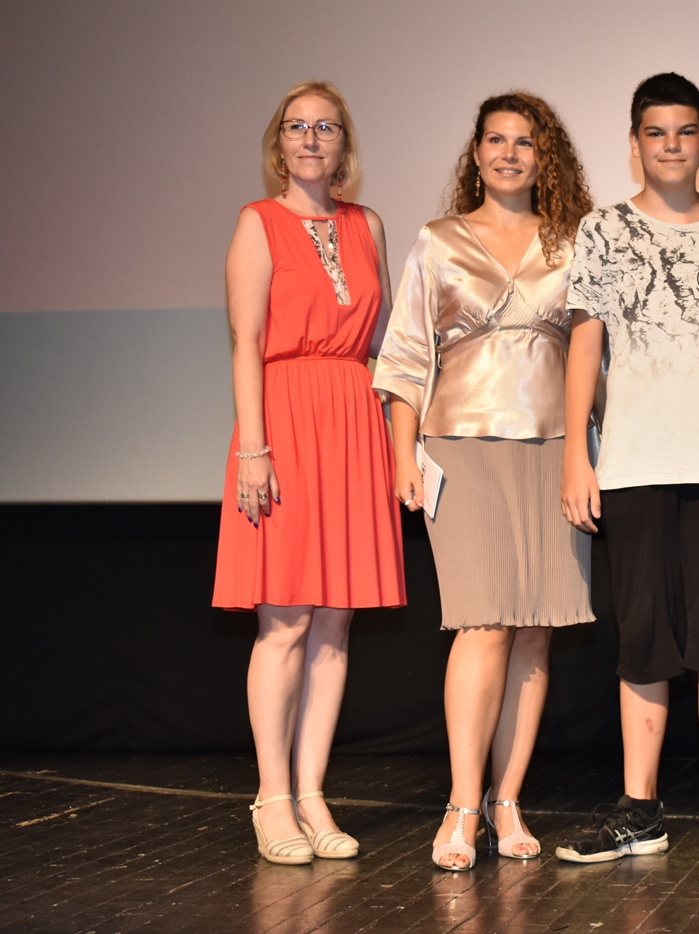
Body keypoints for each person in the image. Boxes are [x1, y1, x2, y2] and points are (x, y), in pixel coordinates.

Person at [557, 73, 699, 875]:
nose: (671, 146)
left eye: (685, 131)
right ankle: (641, 811)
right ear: (635, 143)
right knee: (644, 643)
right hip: (631, 465)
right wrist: (576, 453)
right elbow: (585, 344)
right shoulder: (602, 230)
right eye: (656, 133)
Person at [372, 93, 596, 871]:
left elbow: (596, 357)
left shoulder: (575, 242)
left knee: (535, 629)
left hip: (556, 449)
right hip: (459, 447)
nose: (508, 154)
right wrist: (403, 455)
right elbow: (405, 356)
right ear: (476, 154)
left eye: (523, 142)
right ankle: (463, 805)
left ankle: (508, 801)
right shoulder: (438, 241)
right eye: (495, 141)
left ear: (544, 156)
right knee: (484, 623)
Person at [213, 81, 405, 865]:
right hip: (284, 425)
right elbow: (244, 344)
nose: (311, 138)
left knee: (335, 622)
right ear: (279, 143)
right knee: (285, 621)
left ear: (343, 143)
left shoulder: (368, 224)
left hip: (353, 421)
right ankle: (273, 798)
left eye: (325, 127)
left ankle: (314, 793)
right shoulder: (256, 223)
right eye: (297, 126)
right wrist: (253, 449)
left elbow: (385, 345)